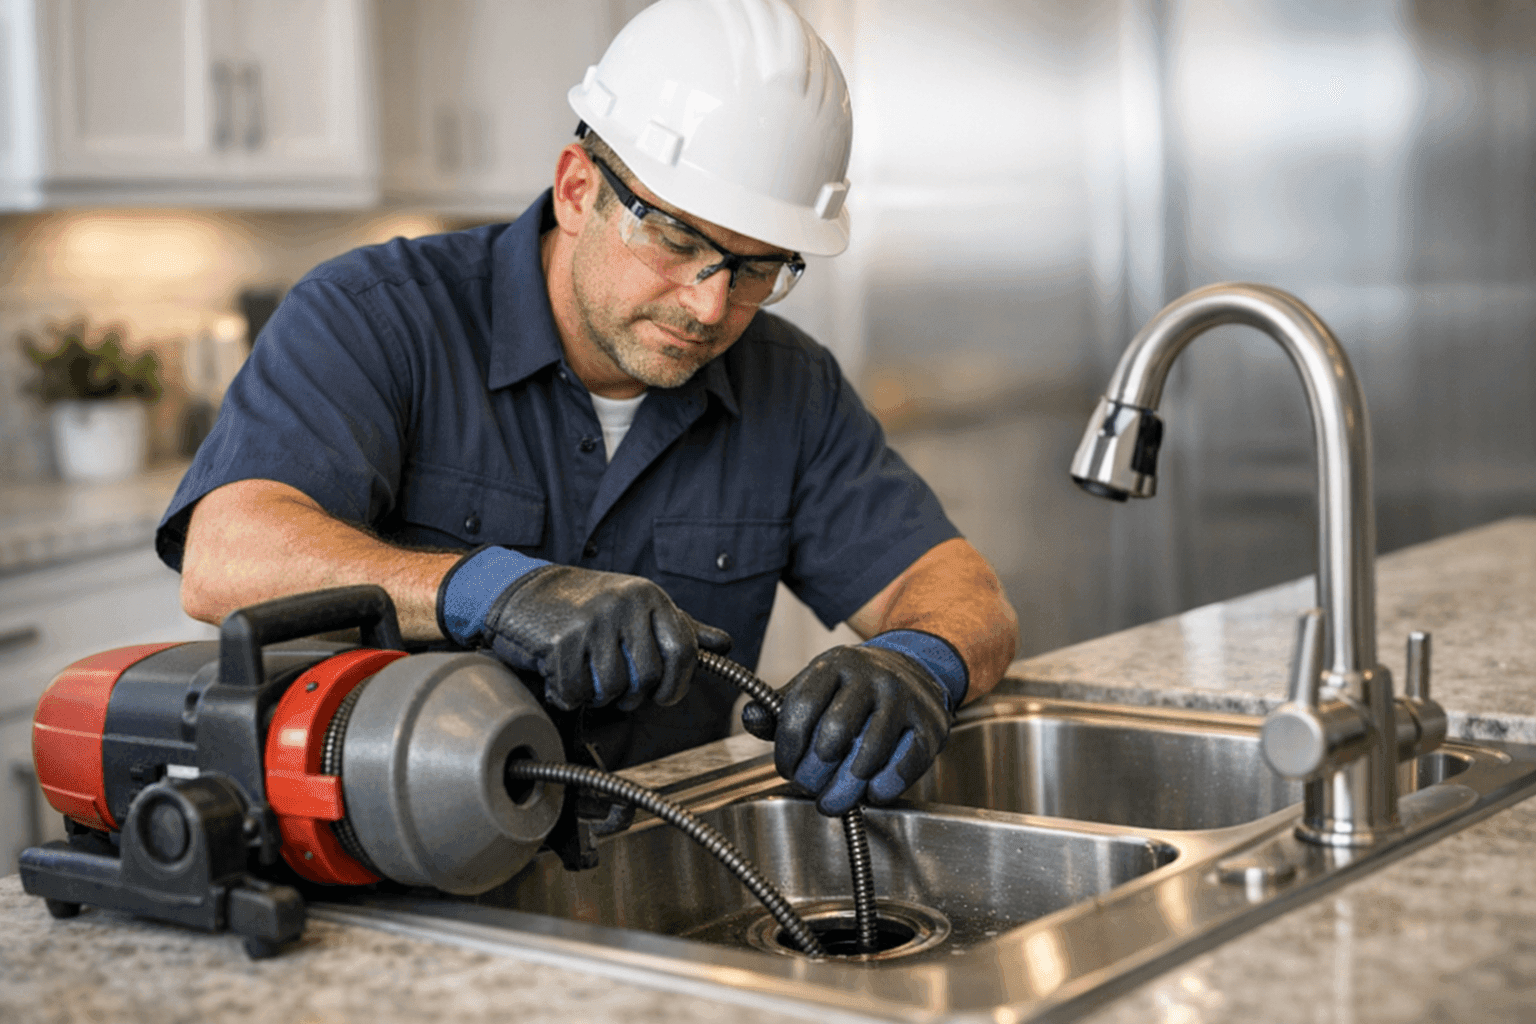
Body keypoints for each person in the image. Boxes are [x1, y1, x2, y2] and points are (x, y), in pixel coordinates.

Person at [158, 0, 1017, 819]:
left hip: (653, 854)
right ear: (577, 191)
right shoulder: (377, 314)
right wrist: (491, 590)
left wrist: (918, 661)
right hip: (389, 860)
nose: (710, 306)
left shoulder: (790, 384)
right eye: (678, 241)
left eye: (758, 268)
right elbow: (228, 553)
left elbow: (958, 592)